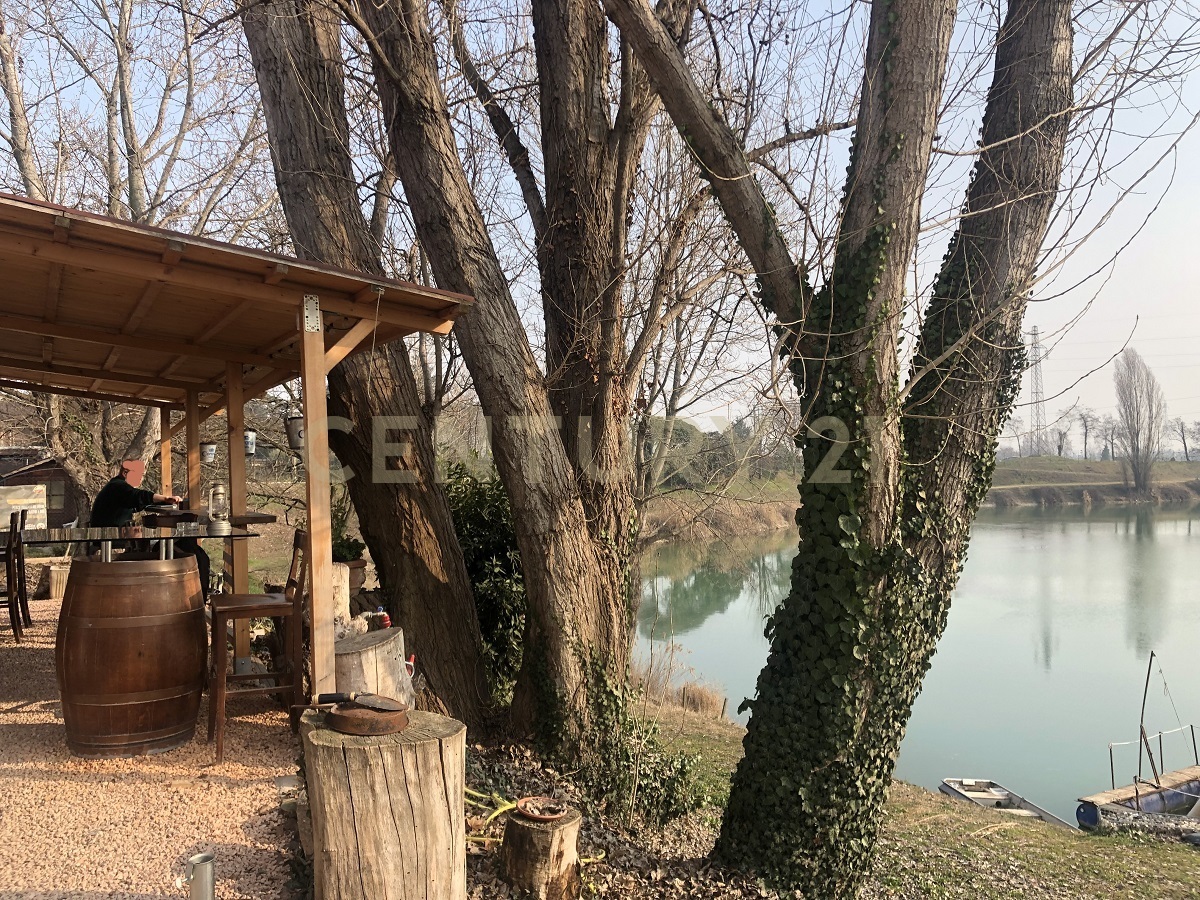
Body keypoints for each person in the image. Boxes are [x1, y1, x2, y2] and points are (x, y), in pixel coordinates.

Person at [89, 460, 210, 597]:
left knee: (173, 547)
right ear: (125, 473)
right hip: (111, 542)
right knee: (183, 550)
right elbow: (137, 496)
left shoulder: (115, 487)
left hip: (112, 539)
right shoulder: (118, 486)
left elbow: (135, 500)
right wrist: (165, 498)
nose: (140, 478)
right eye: (138, 475)